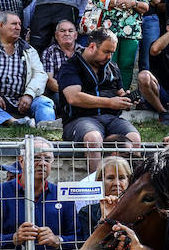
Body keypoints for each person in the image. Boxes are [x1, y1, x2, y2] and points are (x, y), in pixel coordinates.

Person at [56, 29, 141, 171]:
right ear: (92, 46)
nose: (109, 56)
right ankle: (96, 186)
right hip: (80, 119)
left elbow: (119, 92)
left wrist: (126, 100)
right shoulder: (70, 66)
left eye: (112, 52)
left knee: (134, 138)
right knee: (93, 138)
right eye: (106, 51)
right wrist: (109, 102)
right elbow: (73, 97)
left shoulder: (112, 67)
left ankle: (131, 184)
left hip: (111, 119)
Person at [0, 12, 54, 132]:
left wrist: (29, 95)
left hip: (21, 101)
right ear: (1, 25)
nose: (18, 27)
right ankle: (12, 122)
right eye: (14, 24)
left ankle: (49, 132)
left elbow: (40, 74)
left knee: (44, 102)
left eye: (19, 24)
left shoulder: (29, 50)